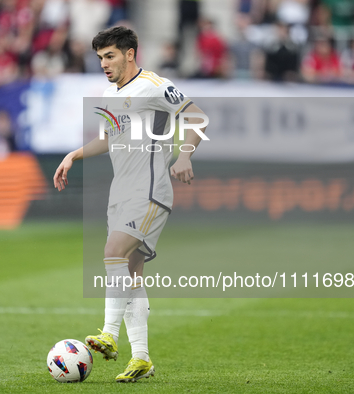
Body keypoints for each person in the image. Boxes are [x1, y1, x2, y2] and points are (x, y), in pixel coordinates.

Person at [53, 26, 208, 383]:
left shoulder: (154, 84)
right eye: (100, 58)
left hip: (150, 190)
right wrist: (74, 154)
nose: (104, 64)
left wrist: (184, 154)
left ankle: (109, 334)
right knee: (132, 273)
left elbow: (197, 116)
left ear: (130, 54)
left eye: (110, 56)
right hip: (120, 192)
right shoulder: (109, 94)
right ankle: (142, 359)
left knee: (113, 252)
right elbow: (107, 140)